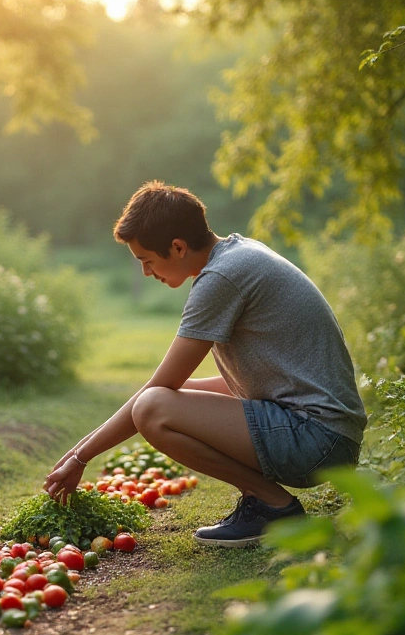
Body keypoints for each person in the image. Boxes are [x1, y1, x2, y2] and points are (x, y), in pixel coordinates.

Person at [42, 181, 366, 547]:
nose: (147, 272)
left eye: (147, 260)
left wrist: (81, 456)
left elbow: (156, 392)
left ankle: (272, 506)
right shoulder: (238, 254)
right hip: (327, 434)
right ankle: (269, 503)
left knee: (152, 407)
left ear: (177, 247)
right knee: (169, 397)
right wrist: (76, 453)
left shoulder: (222, 278)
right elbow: (228, 383)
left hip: (316, 439)